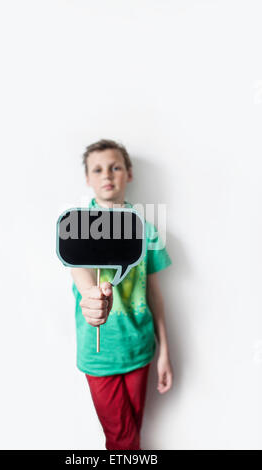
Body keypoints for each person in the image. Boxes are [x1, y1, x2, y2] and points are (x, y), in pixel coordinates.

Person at [71, 139, 173, 450]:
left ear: (128, 174)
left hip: (140, 349)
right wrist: (92, 296)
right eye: (98, 169)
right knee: (123, 440)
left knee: (131, 434)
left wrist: (165, 351)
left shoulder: (148, 229)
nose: (107, 175)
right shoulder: (77, 226)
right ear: (88, 179)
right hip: (98, 354)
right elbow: (80, 274)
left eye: (115, 167)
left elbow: (154, 292)